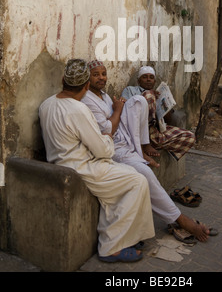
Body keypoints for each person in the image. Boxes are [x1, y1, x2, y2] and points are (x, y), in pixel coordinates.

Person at [82, 60, 212, 243]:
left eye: (103, 74)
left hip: (131, 135)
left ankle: (141, 148)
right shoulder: (87, 99)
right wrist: (118, 108)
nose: (101, 78)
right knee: (144, 173)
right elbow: (107, 130)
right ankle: (179, 219)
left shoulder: (103, 95)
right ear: (88, 78)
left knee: (139, 101)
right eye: (96, 75)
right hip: (113, 146)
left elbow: (166, 119)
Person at [39, 58, 155, 263]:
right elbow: (103, 150)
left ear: (63, 80)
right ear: (85, 85)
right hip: (81, 168)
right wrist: (108, 139)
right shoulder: (78, 109)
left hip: (64, 163)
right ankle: (111, 247)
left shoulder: (47, 104)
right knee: (137, 181)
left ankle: (126, 235)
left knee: (125, 180)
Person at [121, 66, 196, 161]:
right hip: (136, 131)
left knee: (190, 137)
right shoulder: (130, 90)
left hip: (154, 133)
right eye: (145, 77)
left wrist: (164, 106)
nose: (148, 79)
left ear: (154, 81)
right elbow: (125, 109)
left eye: (151, 77)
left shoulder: (158, 94)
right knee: (148, 95)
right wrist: (149, 97)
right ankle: (144, 144)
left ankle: (154, 144)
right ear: (138, 81)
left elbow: (168, 121)